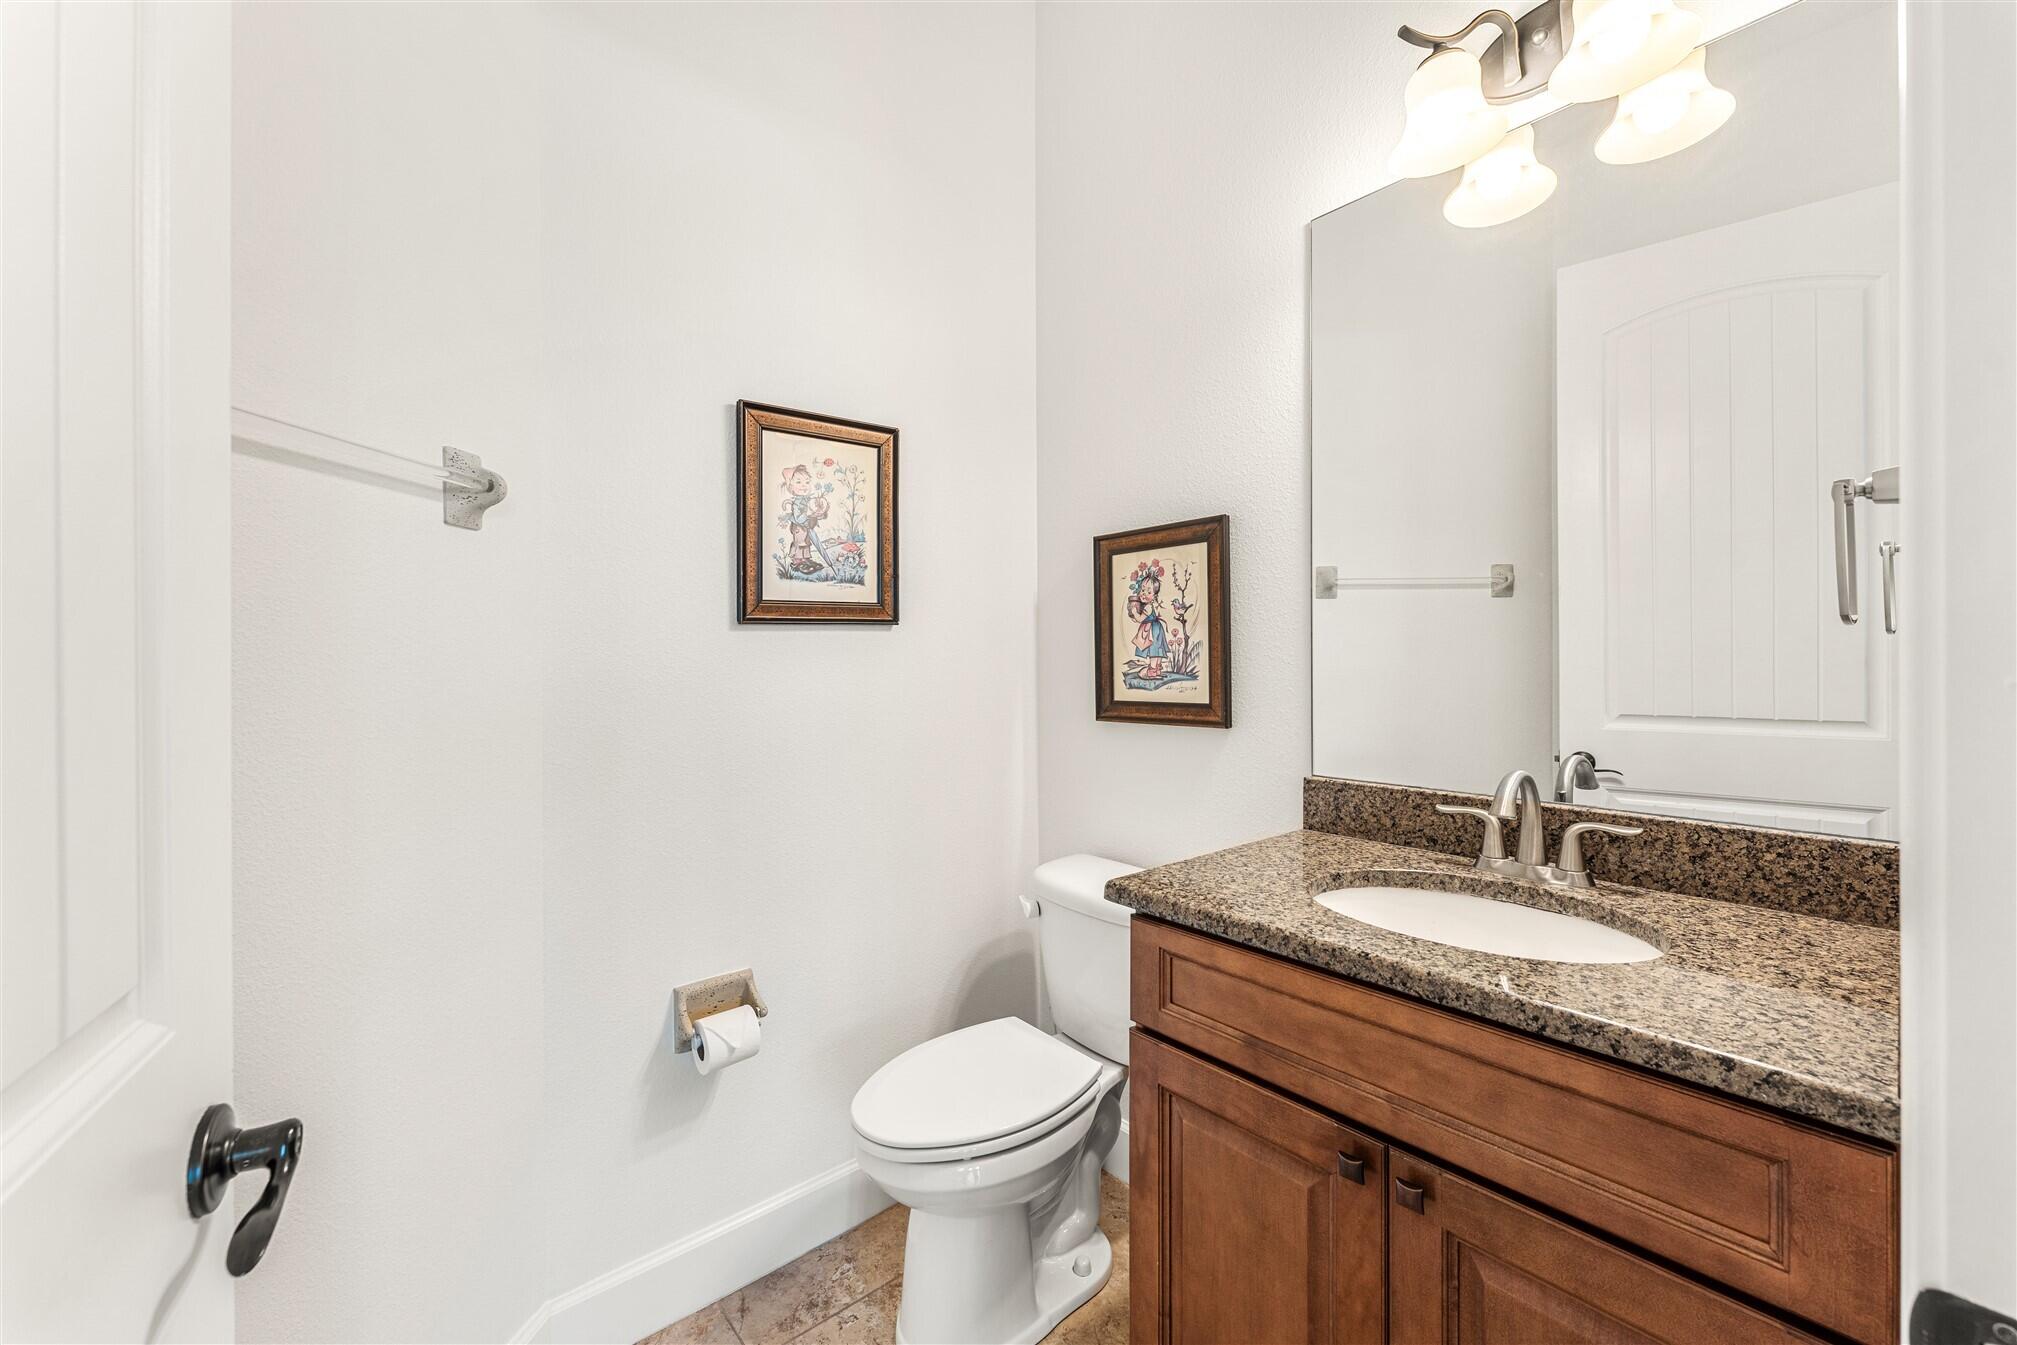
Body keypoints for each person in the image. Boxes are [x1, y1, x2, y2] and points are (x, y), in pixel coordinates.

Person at [779, 465, 830, 575]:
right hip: (799, 527)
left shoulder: (807, 499)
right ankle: (797, 561)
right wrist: (809, 515)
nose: (804, 486)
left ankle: (806, 559)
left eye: (807, 482)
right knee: (800, 543)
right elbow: (798, 517)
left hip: (806, 527)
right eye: (798, 482)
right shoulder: (797, 502)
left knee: (806, 542)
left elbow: (812, 510)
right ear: (790, 486)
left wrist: (818, 513)